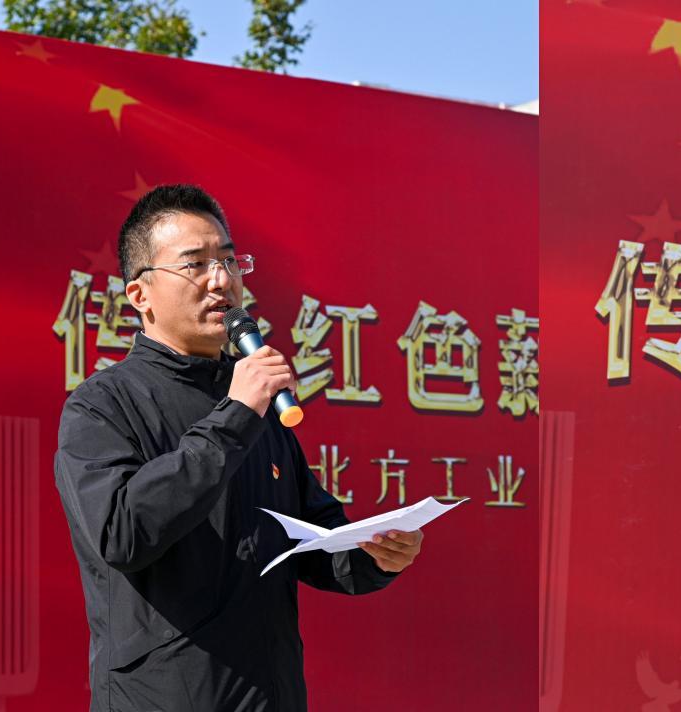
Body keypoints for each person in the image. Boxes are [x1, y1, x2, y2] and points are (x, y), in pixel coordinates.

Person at [54, 184, 424, 712]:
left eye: (230, 261)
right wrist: (235, 416)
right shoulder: (102, 406)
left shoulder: (254, 404)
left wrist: (374, 555)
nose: (221, 280)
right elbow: (122, 534)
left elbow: (310, 538)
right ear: (140, 295)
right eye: (195, 265)